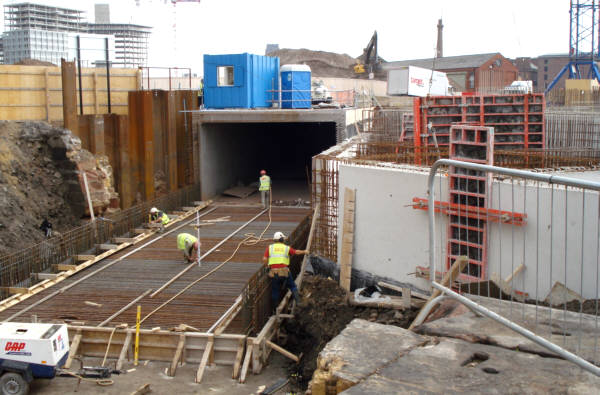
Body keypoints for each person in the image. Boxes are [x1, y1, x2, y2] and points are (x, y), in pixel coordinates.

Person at [263, 231, 308, 310]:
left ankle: (275, 309)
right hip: (284, 272)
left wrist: (267, 266)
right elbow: (296, 252)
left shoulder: (270, 248)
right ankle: (298, 302)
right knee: (292, 286)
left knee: (275, 290)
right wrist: (305, 251)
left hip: (274, 272)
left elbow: (264, 259)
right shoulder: (286, 248)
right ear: (281, 239)